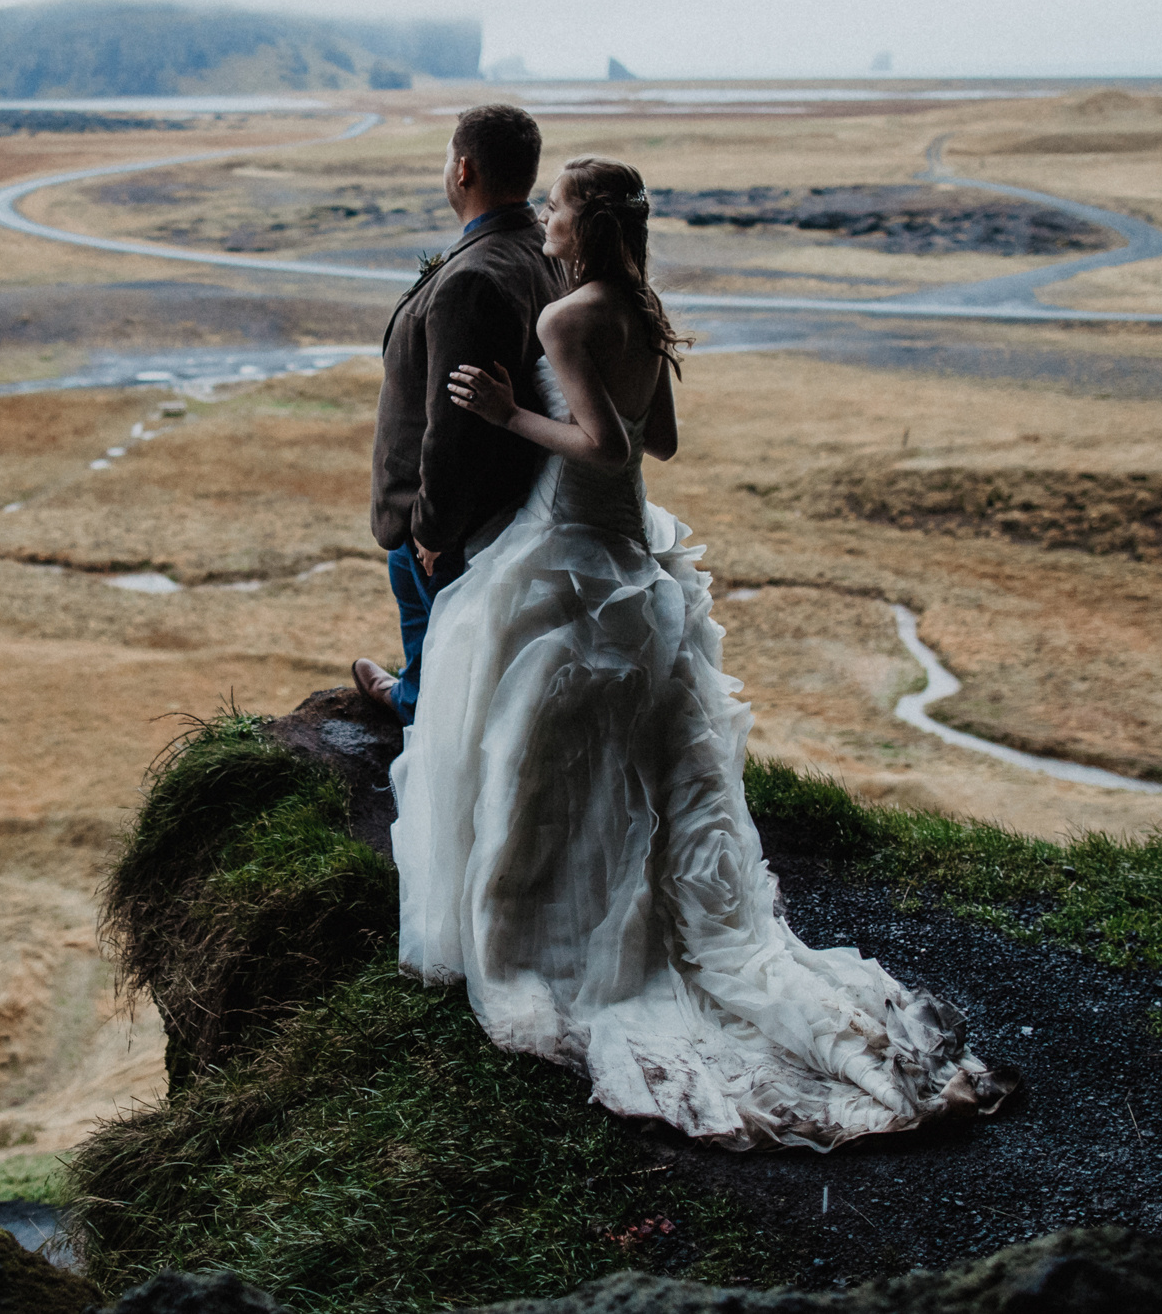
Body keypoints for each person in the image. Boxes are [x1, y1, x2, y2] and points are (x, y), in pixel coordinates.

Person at [388, 156, 1015, 1150]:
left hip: (576, 543)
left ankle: (550, 933)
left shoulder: (565, 319)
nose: (544, 214)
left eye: (555, 206)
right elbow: (658, 441)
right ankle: (624, 914)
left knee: (543, 744)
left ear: (582, 225)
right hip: (636, 543)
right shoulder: (637, 311)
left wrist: (507, 413)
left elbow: (599, 448)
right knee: (629, 748)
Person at [356, 104, 566, 724]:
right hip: (506, 503)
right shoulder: (539, 246)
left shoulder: (473, 278)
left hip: (449, 526)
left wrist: (431, 528)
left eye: (449, 156)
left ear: (464, 169)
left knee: (444, 659)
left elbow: (457, 426)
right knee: (466, 657)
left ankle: (414, 711)